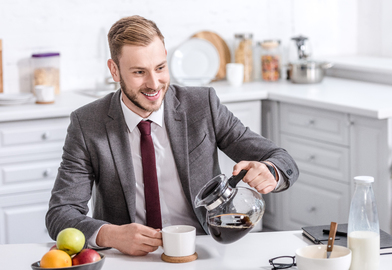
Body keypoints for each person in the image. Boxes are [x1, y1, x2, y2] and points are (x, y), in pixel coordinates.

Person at [46, 15, 299, 256]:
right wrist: (110, 235)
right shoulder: (87, 123)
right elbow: (61, 213)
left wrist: (270, 171)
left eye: (160, 67)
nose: (154, 83)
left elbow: (280, 158)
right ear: (114, 71)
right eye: (138, 72)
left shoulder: (202, 105)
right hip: (129, 258)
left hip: (203, 248)